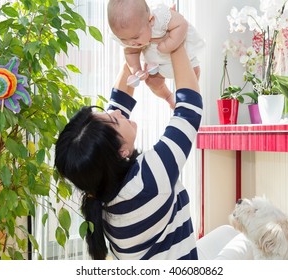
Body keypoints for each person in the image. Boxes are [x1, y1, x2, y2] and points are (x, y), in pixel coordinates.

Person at [54, 41, 203, 259]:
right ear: (121, 151)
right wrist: (176, 42)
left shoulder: (103, 190)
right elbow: (189, 110)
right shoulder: (150, 180)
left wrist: (132, 61)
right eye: (114, 119)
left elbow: (118, 102)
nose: (118, 113)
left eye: (107, 114)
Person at [107, 0, 205, 109]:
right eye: (123, 39)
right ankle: (168, 97)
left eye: (135, 37)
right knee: (152, 82)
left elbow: (181, 24)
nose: (131, 43)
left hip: (184, 58)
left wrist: (170, 44)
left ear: (151, 20)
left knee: (194, 72)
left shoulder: (160, 17)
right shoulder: (130, 35)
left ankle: (187, 101)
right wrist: (136, 70)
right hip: (156, 66)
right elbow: (130, 52)